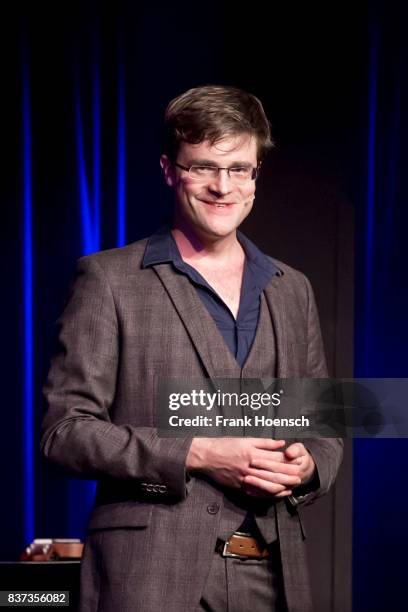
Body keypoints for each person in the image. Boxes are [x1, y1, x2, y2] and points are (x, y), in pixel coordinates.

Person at [41, 85, 343, 612]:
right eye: (203, 167)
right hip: (149, 579)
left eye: (239, 169)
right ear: (169, 169)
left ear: (255, 176)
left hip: (274, 577)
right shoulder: (109, 280)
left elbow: (324, 428)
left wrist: (308, 464)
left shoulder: (292, 289)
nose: (222, 187)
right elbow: (63, 433)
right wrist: (197, 453)